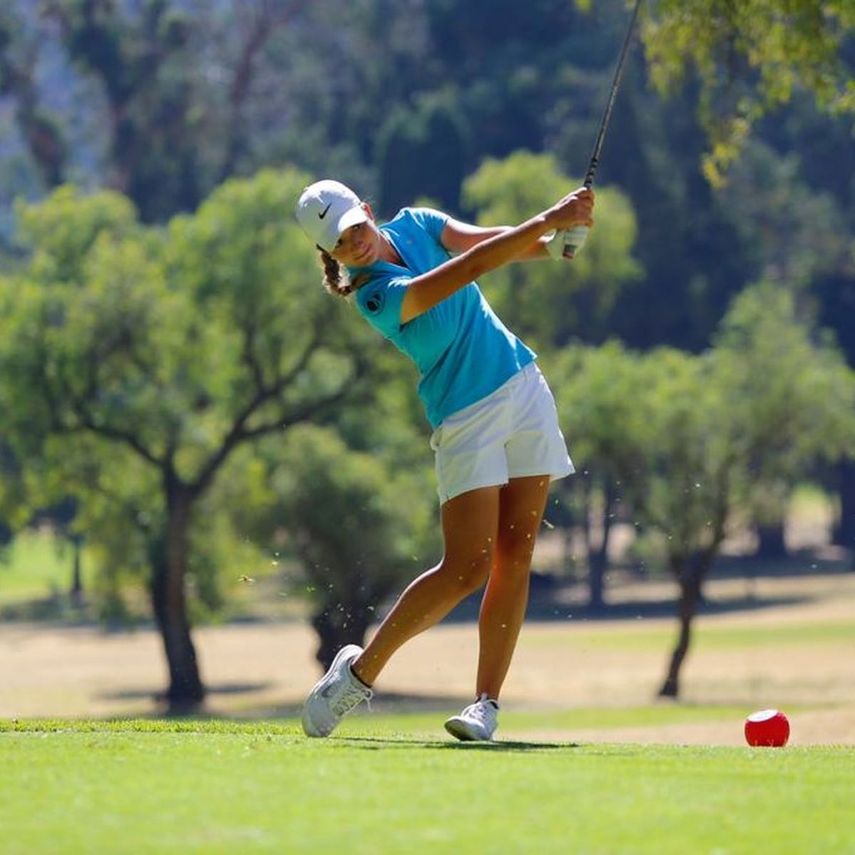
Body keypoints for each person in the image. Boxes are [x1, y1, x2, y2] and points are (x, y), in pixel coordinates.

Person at [294, 178, 594, 741]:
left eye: (356, 227)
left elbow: (495, 241)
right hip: (465, 417)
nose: (354, 244)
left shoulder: (419, 222)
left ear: (367, 209)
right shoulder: (374, 296)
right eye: (339, 243)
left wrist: (558, 237)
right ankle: (358, 675)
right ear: (328, 254)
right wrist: (547, 218)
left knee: (516, 555)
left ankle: (486, 705)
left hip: (524, 387)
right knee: (465, 568)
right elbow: (467, 269)